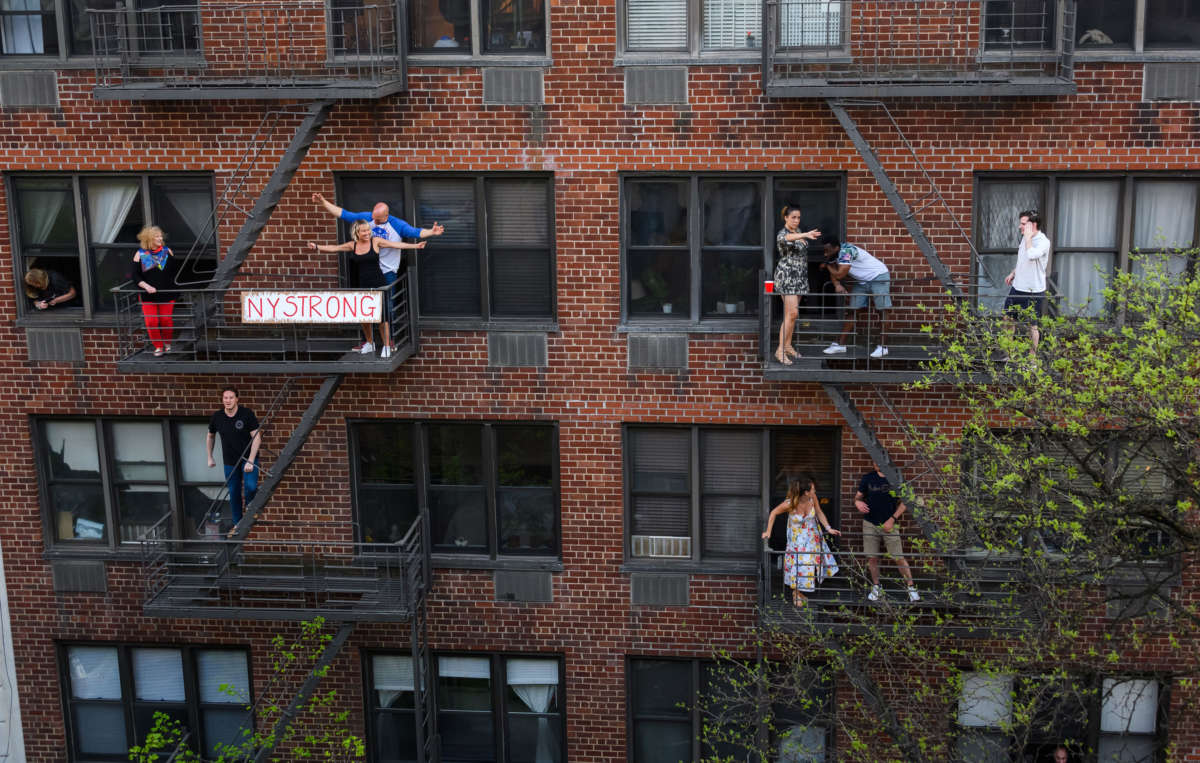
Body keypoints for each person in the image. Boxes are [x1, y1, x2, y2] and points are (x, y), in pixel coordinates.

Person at [308, 220, 426, 358]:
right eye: (363, 231)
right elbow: (335, 248)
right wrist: (316, 246)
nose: (367, 233)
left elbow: (396, 244)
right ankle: (370, 343)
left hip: (378, 284)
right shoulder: (353, 245)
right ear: (356, 232)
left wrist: (416, 245)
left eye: (368, 230)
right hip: (362, 285)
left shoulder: (375, 241)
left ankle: (387, 346)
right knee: (364, 317)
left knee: (382, 318)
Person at [762, 474, 840, 606]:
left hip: (812, 536)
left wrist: (828, 528)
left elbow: (819, 512)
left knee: (810, 564)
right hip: (796, 540)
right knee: (799, 564)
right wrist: (768, 531)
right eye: (813, 490)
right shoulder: (790, 503)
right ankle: (796, 592)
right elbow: (773, 513)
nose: (815, 492)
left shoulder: (812, 498)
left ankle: (799, 592)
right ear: (806, 492)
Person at [855, 463, 919, 602]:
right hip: (870, 523)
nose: (876, 463)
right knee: (872, 557)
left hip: (890, 524)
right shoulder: (868, 478)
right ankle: (877, 586)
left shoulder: (895, 478)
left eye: (879, 460)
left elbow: (907, 501)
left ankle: (911, 588)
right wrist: (857, 503)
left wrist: (892, 519)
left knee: (898, 557)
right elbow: (858, 497)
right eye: (874, 461)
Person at [820, 237, 893, 359]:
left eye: (827, 251)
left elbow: (840, 274)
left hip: (878, 276)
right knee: (853, 310)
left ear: (836, 248)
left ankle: (883, 347)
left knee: (883, 310)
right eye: (824, 250)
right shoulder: (834, 252)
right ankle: (841, 345)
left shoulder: (846, 251)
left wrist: (827, 266)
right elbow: (834, 270)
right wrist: (837, 284)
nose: (825, 253)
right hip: (862, 281)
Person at [207, 387, 262, 536]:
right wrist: (210, 456)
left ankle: (251, 505)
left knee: (250, 486)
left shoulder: (246, 414)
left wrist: (251, 460)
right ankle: (238, 524)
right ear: (222, 400)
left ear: (237, 399)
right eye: (225, 398)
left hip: (248, 459)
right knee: (234, 492)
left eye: (231, 397)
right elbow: (210, 436)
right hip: (230, 462)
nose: (228, 400)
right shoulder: (217, 417)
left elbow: (256, 437)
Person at [773, 205, 821, 365]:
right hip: (787, 277)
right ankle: (779, 351)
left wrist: (803, 234)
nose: (796, 220)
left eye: (798, 217)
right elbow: (786, 240)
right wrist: (806, 234)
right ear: (785, 217)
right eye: (793, 217)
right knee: (791, 314)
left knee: (793, 315)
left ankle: (787, 346)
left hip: (799, 277)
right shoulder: (783, 234)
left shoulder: (797, 231)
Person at [1003, 209, 1050, 356]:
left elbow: (1031, 255)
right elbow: (1023, 259)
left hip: (1033, 291)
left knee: (1032, 326)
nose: (1019, 227)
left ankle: (1032, 359)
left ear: (1033, 225)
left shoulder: (1043, 242)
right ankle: (1009, 354)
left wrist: (1028, 238)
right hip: (1018, 288)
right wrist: (1014, 273)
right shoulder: (1024, 238)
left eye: (1023, 224)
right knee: (1008, 320)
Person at [131, 226, 181, 357]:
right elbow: (135, 276)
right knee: (151, 322)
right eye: (157, 236)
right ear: (149, 239)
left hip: (167, 293)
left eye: (160, 236)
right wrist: (146, 286)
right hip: (149, 295)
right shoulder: (140, 254)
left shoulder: (167, 251)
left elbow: (175, 272)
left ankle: (167, 344)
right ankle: (158, 346)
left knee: (165, 320)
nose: (160, 238)